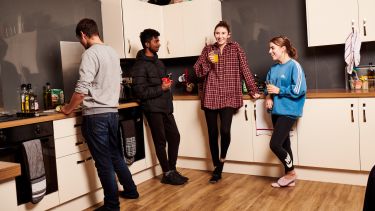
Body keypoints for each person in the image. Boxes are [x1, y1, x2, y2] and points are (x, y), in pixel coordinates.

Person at [60, 18, 138, 211]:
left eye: (80, 40)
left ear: (84, 35)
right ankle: (130, 190)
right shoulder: (112, 52)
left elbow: (81, 90)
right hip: (112, 113)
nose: (81, 43)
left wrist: (67, 109)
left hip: (96, 117)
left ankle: (112, 206)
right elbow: (117, 84)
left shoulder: (90, 54)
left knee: (103, 163)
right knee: (115, 155)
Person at [194, 21, 260, 184]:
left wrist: (253, 90)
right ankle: (216, 166)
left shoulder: (236, 48)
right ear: (214, 34)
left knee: (224, 130)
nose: (220, 36)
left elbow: (245, 69)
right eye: (217, 33)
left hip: (229, 94)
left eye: (223, 33)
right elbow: (197, 72)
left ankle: (221, 160)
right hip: (211, 94)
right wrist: (207, 62)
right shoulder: (208, 49)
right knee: (211, 133)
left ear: (228, 34)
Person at [130, 29, 188, 185]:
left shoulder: (159, 62)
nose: (159, 43)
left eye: (159, 40)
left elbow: (161, 83)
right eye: (156, 41)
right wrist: (160, 89)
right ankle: (167, 173)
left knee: (175, 136)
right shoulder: (139, 66)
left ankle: (172, 170)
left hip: (165, 107)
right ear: (147, 43)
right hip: (152, 108)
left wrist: (166, 88)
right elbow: (139, 91)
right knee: (160, 141)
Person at [264, 35, 307, 188]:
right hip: (276, 111)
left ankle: (291, 172)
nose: (270, 51)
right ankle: (290, 177)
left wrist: (279, 90)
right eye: (269, 48)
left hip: (289, 111)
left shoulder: (294, 66)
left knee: (275, 144)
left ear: (283, 49)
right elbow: (268, 85)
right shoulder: (273, 69)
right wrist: (268, 97)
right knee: (285, 144)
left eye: (272, 48)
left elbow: (299, 89)